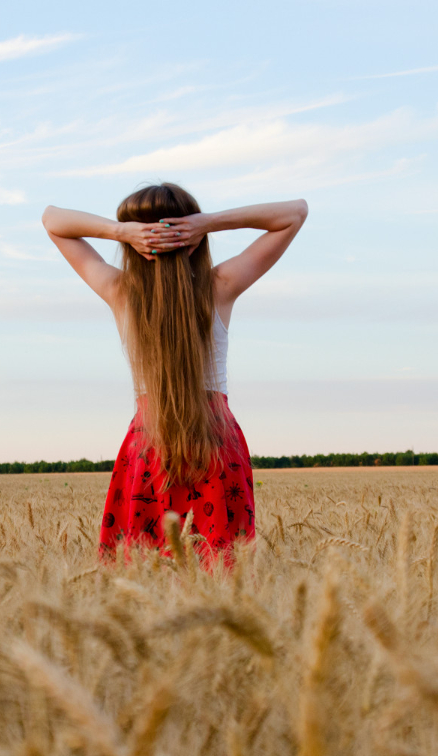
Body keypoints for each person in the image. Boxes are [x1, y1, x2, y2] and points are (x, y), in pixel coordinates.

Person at [42, 184, 308, 563]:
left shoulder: (119, 291)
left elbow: (52, 219)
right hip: (215, 443)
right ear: (195, 237)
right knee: (222, 575)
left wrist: (121, 233)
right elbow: (294, 212)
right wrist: (208, 224)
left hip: (148, 446)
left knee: (141, 580)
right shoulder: (220, 286)